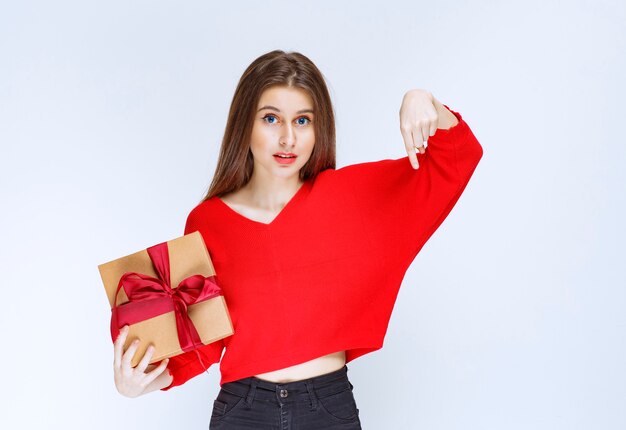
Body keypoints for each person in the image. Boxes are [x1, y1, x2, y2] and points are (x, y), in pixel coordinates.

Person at [111, 50, 484, 429]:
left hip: (327, 408)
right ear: (245, 125)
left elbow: (454, 160)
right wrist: (139, 382)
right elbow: (202, 340)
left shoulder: (354, 197)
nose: (288, 138)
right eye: (271, 118)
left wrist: (424, 101)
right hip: (242, 410)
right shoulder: (207, 220)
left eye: (302, 120)